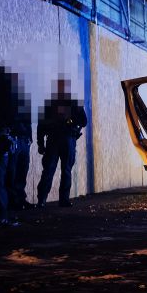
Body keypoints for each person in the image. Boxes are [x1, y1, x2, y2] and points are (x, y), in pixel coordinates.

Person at [36, 78, 87, 208]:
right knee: (55, 170)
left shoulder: (67, 102)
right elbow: (41, 125)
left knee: (57, 170)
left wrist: (71, 121)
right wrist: (40, 143)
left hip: (62, 139)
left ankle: (47, 200)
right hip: (60, 139)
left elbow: (83, 121)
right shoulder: (53, 103)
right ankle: (50, 200)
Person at [6, 72, 34, 211]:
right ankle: (13, 201)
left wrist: (30, 138)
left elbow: (28, 119)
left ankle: (20, 199)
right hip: (16, 137)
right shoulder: (8, 97)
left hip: (23, 139)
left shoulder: (23, 97)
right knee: (13, 171)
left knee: (22, 170)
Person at [0, 66, 17, 225]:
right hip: (2, 136)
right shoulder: (8, 94)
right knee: (2, 177)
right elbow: (12, 115)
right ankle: (2, 216)